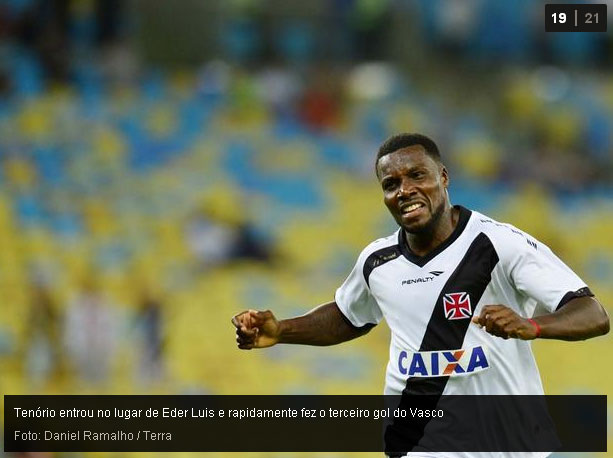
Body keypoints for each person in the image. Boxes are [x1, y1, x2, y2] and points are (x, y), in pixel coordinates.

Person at [231, 133, 609, 454]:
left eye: (417, 176)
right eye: (390, 184)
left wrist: (532, 326)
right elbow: (348, 317)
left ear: (443, 177)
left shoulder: (500, 244)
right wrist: (282, 331)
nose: (404, 190)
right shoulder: (377, 261)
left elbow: (592, 313)